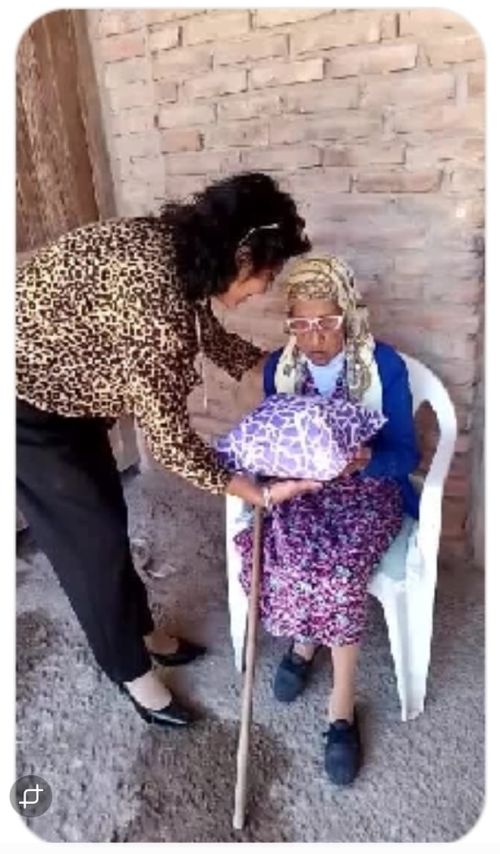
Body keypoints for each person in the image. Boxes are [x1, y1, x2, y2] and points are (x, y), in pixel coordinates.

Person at [16, 172, 318, 729]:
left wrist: (270, 368)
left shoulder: (178, 252)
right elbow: (172, 443)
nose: (263, 290)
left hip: (69, 386)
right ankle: (131, 672)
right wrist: (249, 489)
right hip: (26, 398)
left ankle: (143, 631)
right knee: (90, 543)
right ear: (242, 255)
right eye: (267, 275)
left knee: (108, 516)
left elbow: (206, 330)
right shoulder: (157, 309)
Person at [234, 255, 420, 784]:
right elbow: (275, 436)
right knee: (278, 550)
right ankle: (305, 640)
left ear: (348, 314)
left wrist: (364, 460)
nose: (315, 337)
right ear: (289, 323)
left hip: (369, 491)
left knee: (338, 570)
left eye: (327, 322)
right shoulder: (280, 368)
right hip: (302, 489)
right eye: (301, 323)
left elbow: (407, 454)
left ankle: (341, 707)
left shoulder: (382, 365)